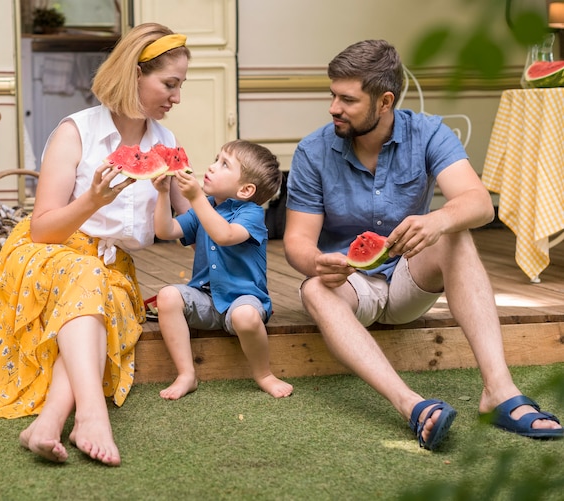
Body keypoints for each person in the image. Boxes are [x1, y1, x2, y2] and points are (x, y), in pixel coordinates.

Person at [283, 39, 563, 450]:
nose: (333, 108)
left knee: (456, 234)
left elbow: (479, 203)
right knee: (313, 289)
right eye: (332, 95)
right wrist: (316, 261)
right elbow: (297, 241)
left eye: (347, 99)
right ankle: (412, 405)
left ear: (384, 101)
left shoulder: (428, 133)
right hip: (349, 285)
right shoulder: (313, 150)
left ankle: (498, 392)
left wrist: (439, 220)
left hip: (407, 280)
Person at [0, 23, 192, 466]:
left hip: (111, 266)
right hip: (47, 253)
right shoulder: (76, 131)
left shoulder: (165, 142)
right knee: (86, 275)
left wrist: (216, 205)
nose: (176, 96)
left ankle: (49, 421)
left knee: (97, 292)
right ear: (134, 75)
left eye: (180, 85)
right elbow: (42, 229)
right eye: (169, 84)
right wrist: (92, 199)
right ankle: (92, 416)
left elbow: (170, 226)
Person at [152, 139, 294, 400]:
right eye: (217, 159)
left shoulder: (251, 213)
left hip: (243, 301)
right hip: (206, 299)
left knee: (245, 317)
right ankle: (186, 374)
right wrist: (163, 194)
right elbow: (165, 230)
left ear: (245, 189)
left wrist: (195, 198)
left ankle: (264, 374)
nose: (212, 166)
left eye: (224, 164)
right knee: (167, 296)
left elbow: (225, 235)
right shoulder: (205, 207)